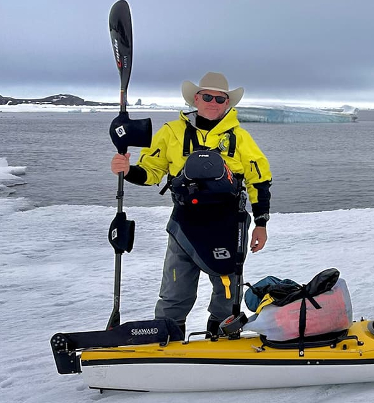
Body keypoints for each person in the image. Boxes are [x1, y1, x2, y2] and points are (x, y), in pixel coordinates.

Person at [110, 72, 273, 337]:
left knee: (227, 292)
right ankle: (167, 340)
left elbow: (260, 181)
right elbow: (151, 173)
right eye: (207, 96)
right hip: (185, 223)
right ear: (196, 99)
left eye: (220, 99)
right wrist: (127, 170)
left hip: (228, 224)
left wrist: (261, 224)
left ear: (227, 103)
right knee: (175, 292)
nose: (213, 102)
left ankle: (220, 339)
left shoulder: (241, 138)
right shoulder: (170, 133)